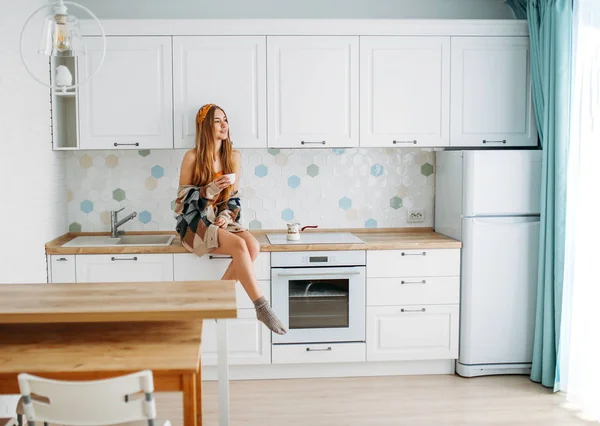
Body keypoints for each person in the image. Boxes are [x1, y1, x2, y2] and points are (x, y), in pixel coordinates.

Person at [174, 104, 287, 335]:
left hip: (220, 220)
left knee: (253, 246)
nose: (224, 125)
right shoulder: (192, 157)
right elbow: (182, 203)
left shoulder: (233, 156)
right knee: (239, 245)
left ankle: (215, 299)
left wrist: (225, 216)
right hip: (194, 223)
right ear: (205, 126)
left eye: (225, 120)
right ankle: (261, 306)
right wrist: (208, 191)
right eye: (217, 121)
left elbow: (233, 199)